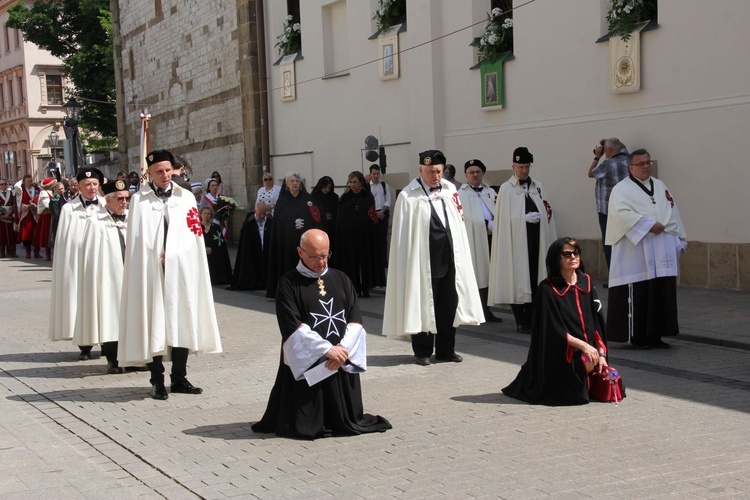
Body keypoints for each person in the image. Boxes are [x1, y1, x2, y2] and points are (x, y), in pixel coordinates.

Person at [251, 229, 391, 439]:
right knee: (301, 423)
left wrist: (342, 351)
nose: (321, 261)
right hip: (312, 365)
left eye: (325, 255)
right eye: (314, 256)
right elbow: (293, 327)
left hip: (340, 360)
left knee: (346, 417)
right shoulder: (288, 284)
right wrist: (326, 350)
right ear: (300, 252)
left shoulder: (342, 279)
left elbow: (355, 320)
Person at [119, 149, 222, 400]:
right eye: (159, 172)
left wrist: (176, 255)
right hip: (151, 271)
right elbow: (137, 241)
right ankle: (157, 380)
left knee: (181, 318)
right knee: (154, 321)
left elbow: (193, 234)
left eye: (168, 170)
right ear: (149, 173)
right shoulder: (139, 201)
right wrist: (154, 256)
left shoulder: (185, 197)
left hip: (180, 269)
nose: (165, 175)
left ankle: (179, 377)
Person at [382, 150, 484, 366]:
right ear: (420, 170)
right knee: (424, 303)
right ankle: (423, 351)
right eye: (430, 171)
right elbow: (403, 236)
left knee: (448, 305)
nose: (435, 176)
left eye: (438, 171)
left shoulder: (449, 190)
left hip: (449, 258)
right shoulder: (409, 196)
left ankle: (446, 350)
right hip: (423, 261)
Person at [502, 237, 608, 406]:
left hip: (590, 350)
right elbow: (552, 330)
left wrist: (601, 353)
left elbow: (597, 323)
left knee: (604, 378)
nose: (573, 257)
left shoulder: (586, 282)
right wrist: (584, 346)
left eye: (576, 253)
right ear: (556, 259)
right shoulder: (547, 289)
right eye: (567, 254)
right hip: (562, 351)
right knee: (574, 395)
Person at [606, 148, 687, 349]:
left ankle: (657, 334)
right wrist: (647, 224)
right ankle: (639, 336)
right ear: (631, 167)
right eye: (641, 164)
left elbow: (672, 210)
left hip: (661, 247)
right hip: (636, 250)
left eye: (648, 162)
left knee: (660, 289)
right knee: (641, 291)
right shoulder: (621, 189)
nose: (646, 167)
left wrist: (678, 236)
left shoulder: (659, 185)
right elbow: (620, 214)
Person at [489, 147, 557, 333]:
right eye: (520, 167)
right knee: (518, 278)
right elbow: (502, 219)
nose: (524, 171)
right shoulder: (506, 189)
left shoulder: (538, 186)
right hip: (516, 243)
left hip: (537, 240)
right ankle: (521, 319)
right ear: (513, 167)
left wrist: (541, 216)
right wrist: (522, 218)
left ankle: (535, 316)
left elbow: (547, 209)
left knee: (536, 277)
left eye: (527, 166)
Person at [48, 168, 106, 360]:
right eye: (87, 185)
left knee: (104, 301)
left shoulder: (107, 205)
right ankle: (85, 345)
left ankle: (108, 343)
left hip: (102, 263)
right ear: (79, 187)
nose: (91, 188)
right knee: (81, 302)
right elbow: (65, 240)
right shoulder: (69, 210)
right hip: (80, 264)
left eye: (95, 184)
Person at [79, 179, 130, 374]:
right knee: (111, 318)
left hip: (131, 277)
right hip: (109, 279)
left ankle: (134, 358)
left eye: (126, 198)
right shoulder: (96, 222)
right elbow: (90, 256)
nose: (124, 202)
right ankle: (113, 359)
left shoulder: (132, 218)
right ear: (107, 200)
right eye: (119, 199)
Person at [265, 172, 323, 298]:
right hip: (287, 241)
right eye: (292, 181)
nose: (295, 183)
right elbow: (279, 221)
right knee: (288, 264)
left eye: (297, 181)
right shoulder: (282, 200)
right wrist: (292, 222)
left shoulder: (307, 199)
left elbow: (316, 218)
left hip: (304, 241)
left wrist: (305, 222)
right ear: (287, 184)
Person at [458, 159, 502, 322]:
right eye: (471, 172)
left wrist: (496, 223)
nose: (475, 175)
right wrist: (485, 224)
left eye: (478, 172)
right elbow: (464, 217)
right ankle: (473, 310)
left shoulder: (490, 192)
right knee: (478, 273)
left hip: (493, 238)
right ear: (466, 175)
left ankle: (486, 309)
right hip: (473, 240)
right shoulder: (461, 194)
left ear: (483, 173)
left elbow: (501, 210)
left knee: (490, 273)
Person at [333, 171, 384, 297]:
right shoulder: (345, 198)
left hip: (365, 236)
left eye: (355, 182)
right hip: (349, 237)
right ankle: (354, 286)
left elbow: (371, 217)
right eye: (350, 182)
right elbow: (341, 218)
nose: (352, 185)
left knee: (365, 261)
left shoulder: (367, 197)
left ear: (361, 182)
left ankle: (366, 287)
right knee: (351, 262)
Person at [588, 138, 629, 272]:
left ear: (610, 150)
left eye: (605, 149)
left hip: (607, 210)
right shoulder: (628, 159)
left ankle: (614, 276)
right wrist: (609, 141)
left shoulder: (607, 164)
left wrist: (596, 156)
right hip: (625, 208)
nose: (604, 151)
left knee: (609, 243)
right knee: (624, 242)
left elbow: (591, 173)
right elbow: (623, 146)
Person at [229, 202, 272, 290]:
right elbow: (245, 241)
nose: (263, 216)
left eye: (264, 213)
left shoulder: (270, 222)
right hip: (254, 251)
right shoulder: (249, 223)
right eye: (260, 213)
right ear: (255, 211)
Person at [200, 205, 233, 285]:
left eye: (208, 214)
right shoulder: (197, 227)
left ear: (211, 215)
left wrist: (212, 249)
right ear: (201, 215)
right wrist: (203, 249)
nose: (206, 215)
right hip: (200, 253)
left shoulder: (216, 227)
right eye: (204, 213)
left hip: (213, 254)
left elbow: (220, 243)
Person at [369, 164, 391, 270]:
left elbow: (388, 200)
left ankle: (384, 261)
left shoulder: (384, 185)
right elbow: (368, 203)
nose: (376, 176)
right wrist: (375, 213)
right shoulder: (368, 187)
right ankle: (375, 261)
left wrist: (382, 212)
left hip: (383, 214)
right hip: (373, 215)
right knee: (374, 239)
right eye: (374, 174)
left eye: (377, 174)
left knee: (383, 239)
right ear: (370, 174)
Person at [14, 175, 40, 259]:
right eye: (28, 181)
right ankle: (27, 252)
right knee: (27, 234)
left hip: (35, 214)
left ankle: (37, 252)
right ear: (24, 182)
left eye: (31, 180)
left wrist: (35, 204)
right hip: (26, 215)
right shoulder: (21, 190)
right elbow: (16, 186)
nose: (30, 182)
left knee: (36, 233)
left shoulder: (36, 189)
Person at [310, 176, 338, 248]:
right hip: (319, 226)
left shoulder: (334, 197)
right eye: (325, 187)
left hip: (331, 227)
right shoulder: (314, 197)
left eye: (329, 187)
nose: (327, 190)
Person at [34, 177, 57, 261]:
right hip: (46, 216)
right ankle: (47, 255)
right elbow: (47, 205)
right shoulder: (44, 193)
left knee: (51, 234)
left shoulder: (52, 192)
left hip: (52, 215)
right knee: (47, 235)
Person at [0, 178, 17, 257]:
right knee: (1, 235)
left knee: (11, 235)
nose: (4, 186)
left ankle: (12, 251)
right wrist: (4, 212)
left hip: (10, 216)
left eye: (5, 184)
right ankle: (1, 252)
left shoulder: (11, 193)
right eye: (1, 184)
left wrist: (11, 210)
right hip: (1, 216)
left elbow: (15, 203)